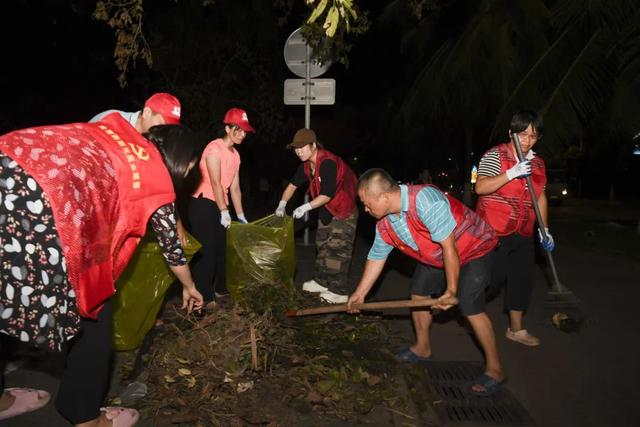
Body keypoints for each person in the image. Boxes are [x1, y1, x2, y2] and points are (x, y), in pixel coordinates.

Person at [0, 114, 204, 426]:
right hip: (37, 208)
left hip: (9, 157)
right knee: (95, 311)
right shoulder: (155, 177)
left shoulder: (115, 130)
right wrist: (190, 287)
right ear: (184, 162)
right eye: (193, 167)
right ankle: (83, 415)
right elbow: (172, 249)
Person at [348, 168, 506, 396]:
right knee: (418, 293)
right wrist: (360, 294)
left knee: (470, 305)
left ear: (383, 197)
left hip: (473, 248)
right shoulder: (385, 224)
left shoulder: (424, 200)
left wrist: (451, 291)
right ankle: (422, 348)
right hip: (437, 255)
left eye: (367, 203)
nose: (365, 209)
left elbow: (449, 245)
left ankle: (495, 369)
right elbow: (376, 257)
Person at [475, 110, 553, 347]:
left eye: (533, 136)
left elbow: (540, 197)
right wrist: (511, 173)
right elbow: (480, 188)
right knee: (492, 281)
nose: (527, 141)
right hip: (493, 231)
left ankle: (516, 330)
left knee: (522, 279)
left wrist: (544, 229)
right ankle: (466, 305)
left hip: (523, 231)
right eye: (522, 134)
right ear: (511, 133)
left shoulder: (538, 163)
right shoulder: (494, 156)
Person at [90, 92, 190, 248]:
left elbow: (162, 184)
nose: (166, 132)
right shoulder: (110, 121)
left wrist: (177, 222)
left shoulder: (154, 141)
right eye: (163, 124)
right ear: (147, 113)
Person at [275, 128, 358, 301]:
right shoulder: (306, 165)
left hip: (344, 211)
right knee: (322, 245)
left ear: (313, 145)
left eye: (302, 147)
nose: (299, 151)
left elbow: (327, 194)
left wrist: (305, 208)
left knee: (337, 250)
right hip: (326, 210)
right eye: (296, 148)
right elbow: (292, 185)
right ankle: (322, 282)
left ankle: (338, 291)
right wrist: (282, 204)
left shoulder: (327, 162)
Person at [189, 108, 254, 309]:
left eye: (245, 131)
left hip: (220, 204)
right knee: (207, 251)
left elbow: (235, 188)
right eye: (239, 130)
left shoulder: (236, 155)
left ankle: (221, 289)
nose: (242, 134)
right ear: (227, 128)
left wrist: (241, 215)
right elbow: (216, 182)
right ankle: (205, 297)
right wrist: (224, 212)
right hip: (203, 203)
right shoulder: (214, 148)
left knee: (223, 250)